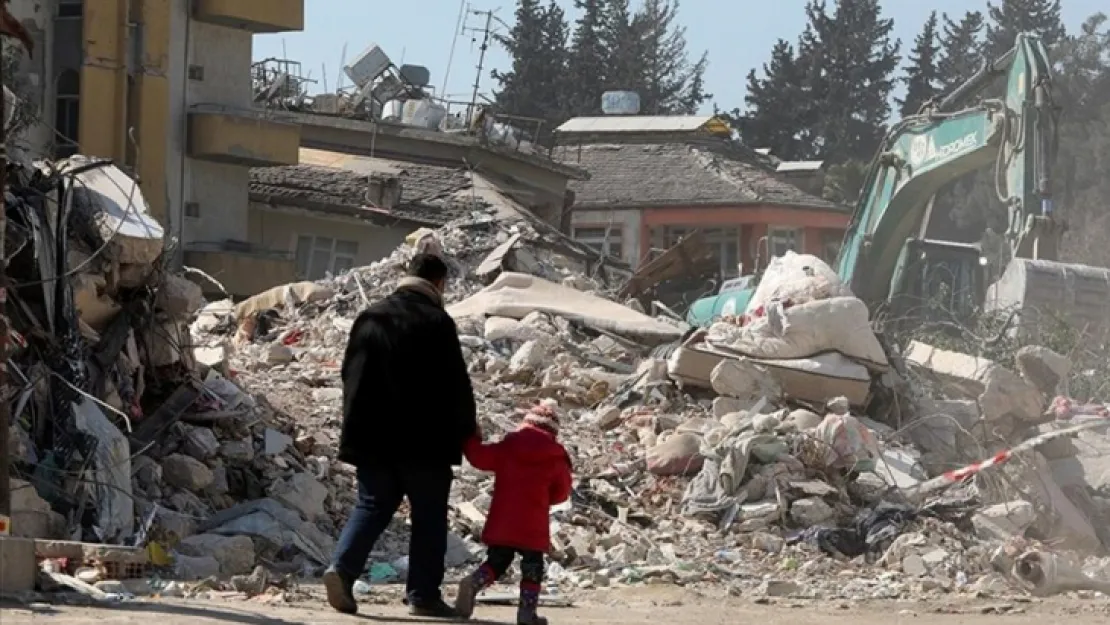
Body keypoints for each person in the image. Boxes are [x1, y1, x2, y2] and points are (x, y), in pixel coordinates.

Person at [323, 253, 477, 617]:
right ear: (439, 284)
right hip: (425, 442)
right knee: (428, 516)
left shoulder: (370, 317)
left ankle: (342, 571)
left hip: (373, 437)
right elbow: (455, 382)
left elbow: (351, 376)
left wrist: (353, 432)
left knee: (372, 505)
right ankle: (423, 596)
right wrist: (467, 428)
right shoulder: (437, 322)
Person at [454, 399, 573, 625]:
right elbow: (562, 493)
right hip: (533, 525)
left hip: (503, 521)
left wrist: (471, 438)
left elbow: (479, 458)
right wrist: (544, 498)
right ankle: (526, 614)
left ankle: (473, 582)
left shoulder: (509, 445)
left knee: (498, 561)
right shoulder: (556, 457)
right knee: (533, 568)